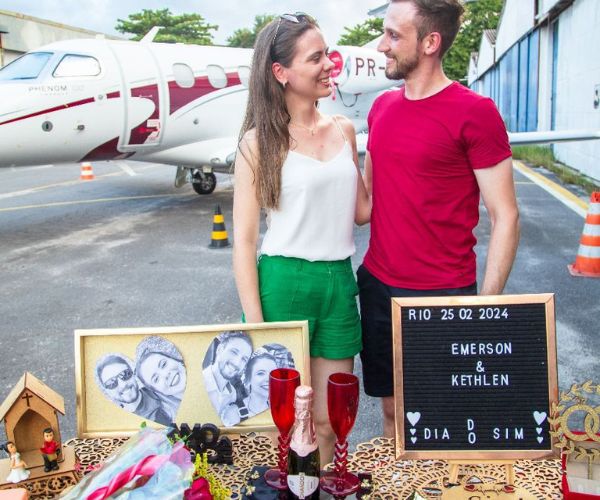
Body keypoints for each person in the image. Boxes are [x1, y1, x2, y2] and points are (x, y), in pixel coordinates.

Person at [359, 0, 520, 437]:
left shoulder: (475, 112)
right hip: (377, 285)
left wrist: (484, 306)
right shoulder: (381, 109)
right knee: (392, 413)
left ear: (430, 42)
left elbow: (505, 216)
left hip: (443, 295)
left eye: (394, 35)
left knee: (438, 419)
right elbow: (367, 203)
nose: (382, 45)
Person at [232, 12, 370, 466]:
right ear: (281, 72)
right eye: (316, 57)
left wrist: (390, 150)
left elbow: (363, 213)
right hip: (283, 284)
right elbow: (245, 242)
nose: (330, 63)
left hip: (338, 282)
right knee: (289, 420)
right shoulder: (258, 144)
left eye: (328, 53)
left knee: (332, 419)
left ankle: (323, 488)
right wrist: (257, 323)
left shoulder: (346, 130)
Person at [95, 353, 171, 426]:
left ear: (134, 374)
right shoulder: (115, 423)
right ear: (108, 392)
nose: (123, 385)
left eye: (125, 374)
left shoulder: (163, 395)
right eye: (111, 383)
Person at [202, 331, 253, 420]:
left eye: (244, 359)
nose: (237, 363)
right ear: (219, 349)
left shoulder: (232, 394)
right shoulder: (199, 383)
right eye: (234, 352)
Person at [136, 336, 187, 422]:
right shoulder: (169, 420)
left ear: (173, 359)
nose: (165, 374)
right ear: (157, 391)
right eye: (156, 379)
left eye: (163, 364)